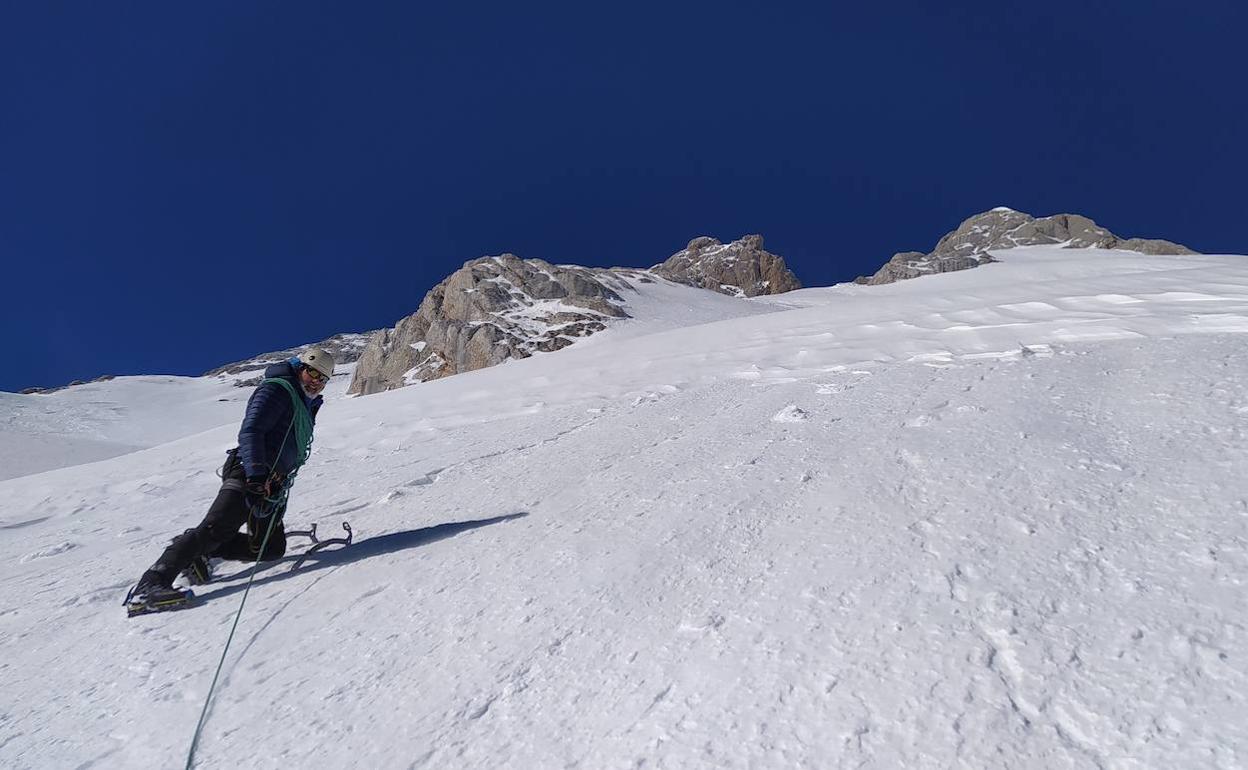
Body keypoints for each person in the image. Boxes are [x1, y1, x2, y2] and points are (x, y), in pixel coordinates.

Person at [126, 348, 335, 613]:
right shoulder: (278, 390)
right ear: (299, 367)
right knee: (215, 529)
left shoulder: (305, 404)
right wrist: (257, 474)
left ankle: (200, 554)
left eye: (323, 379)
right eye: (313, 372)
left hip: (273, 481)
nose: (316, 381)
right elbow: (252, 430)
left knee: (269, 549)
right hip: (250, 472)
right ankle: (149, 586)